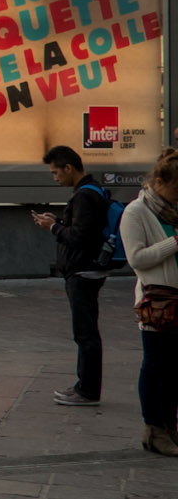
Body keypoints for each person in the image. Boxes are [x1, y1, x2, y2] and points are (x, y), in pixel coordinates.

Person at [31, 145, 110, 407]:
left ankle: (87, 390)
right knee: (84, 331)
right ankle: (83, 385)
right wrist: (59, 222)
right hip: (86, 269)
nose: (55, 178)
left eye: (56, 172)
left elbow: (80, 237)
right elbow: (82, 230)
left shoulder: (85, 196)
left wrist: (53, 227)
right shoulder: (91, 191)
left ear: (69, 168)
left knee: (85, 333)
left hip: (83, 271)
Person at [123, 148, 178, 456]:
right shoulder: (136, 212)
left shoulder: (174, 210)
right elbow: (137, 259)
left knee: (173, 370)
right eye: (176, 190)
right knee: (156, 366)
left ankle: (170, 426)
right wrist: (174, 242)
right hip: (157, 304)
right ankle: (154, 429)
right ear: (159, 181)